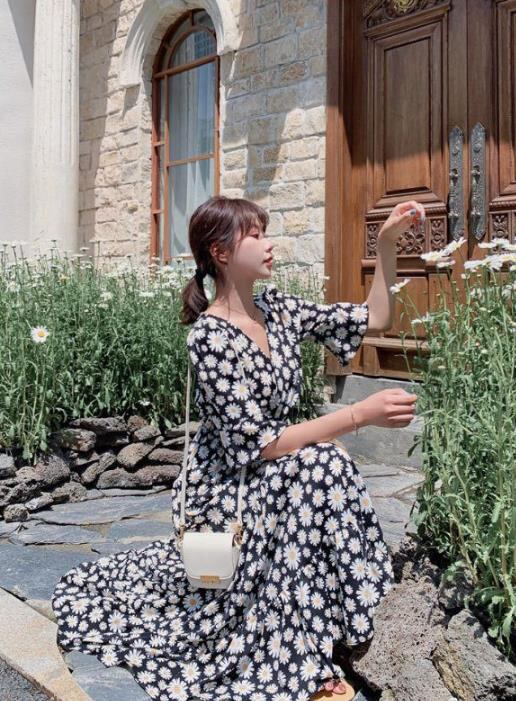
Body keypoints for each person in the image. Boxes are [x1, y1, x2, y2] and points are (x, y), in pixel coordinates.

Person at [51, 194, 421, 701]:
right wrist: (359, 414)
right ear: (220, 252)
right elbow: (256, 445)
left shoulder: (280, 310)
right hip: (229, 484)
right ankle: (300, 656)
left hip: (278, 464)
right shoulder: (209, 338)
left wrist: (386, 245)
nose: (270, 245)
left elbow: (375, 318)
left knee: (321, 464)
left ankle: (348, 624)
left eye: (266, 234)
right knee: (321, 464)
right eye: (256, 235)